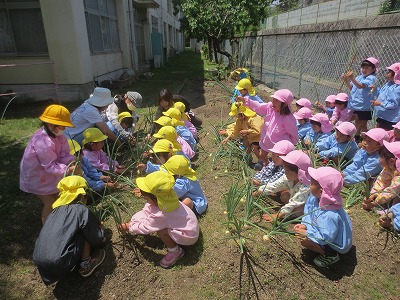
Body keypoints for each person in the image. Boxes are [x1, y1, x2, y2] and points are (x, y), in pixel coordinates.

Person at [33, 176, 105, 285]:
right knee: (83, 230)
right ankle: (87, 264)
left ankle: (63, 268)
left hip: (41, 264)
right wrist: (100, 232)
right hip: (59, 261)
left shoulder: (53, 212)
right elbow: (96, 237)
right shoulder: (79, 209)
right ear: (82, 196)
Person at [118, 171, 199, 268]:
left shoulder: (161, 215)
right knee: (184, 203)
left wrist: (129, 227)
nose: (146, 200)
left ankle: (176, 252)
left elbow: (146, 227)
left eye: (147, 198)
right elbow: (148, 209)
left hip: (188, 236)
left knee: (161, 230)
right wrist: (135, 220)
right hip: (190, 225)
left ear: (155, 197)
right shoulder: (168, 199)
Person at [20, 104, 77, 223]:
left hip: (49, 172)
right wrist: (69, 169)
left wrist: (71, 161)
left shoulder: (59, 137)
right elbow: (49, 165)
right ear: (51, 125)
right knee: (49, 202)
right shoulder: (43, 142)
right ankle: (47, 229)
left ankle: (58, 221)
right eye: (62, 126)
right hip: (36, 176)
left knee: (58, 197)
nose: (64, 129)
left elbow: (65, 153)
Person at [294, 167, 352, 268]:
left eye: (312, 183)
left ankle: (332, 254)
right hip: (323, 232)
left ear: (321, 191)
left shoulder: (330, 214)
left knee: (305, 242)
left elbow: (327, 237)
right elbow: (308, 214)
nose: (309, 185)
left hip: (334, 242)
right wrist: (305, 225)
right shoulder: (314, 198)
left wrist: (307, 233)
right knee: (304, 237)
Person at [238, 89, 298, 165]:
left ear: (285, 104)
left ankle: (275, 169)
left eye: (277, 101)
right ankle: (265, 163)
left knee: (278, 161)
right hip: (266, 140)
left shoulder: (287, 118)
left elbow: (293, 132)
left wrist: (291, 146)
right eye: (273, 99)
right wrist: (246, 101)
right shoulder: (271, 108)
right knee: (263, 155)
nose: (273, 102)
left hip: (278, 145)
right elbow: (259, 107)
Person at [256, 150, 311, 222]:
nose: (285, 173)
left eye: (287, 171)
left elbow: (294, 203)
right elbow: (274, 186)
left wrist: (277, 215)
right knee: (284, 197)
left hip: (307, 208)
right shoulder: (289, 177)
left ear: (299, 173)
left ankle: (297, 218)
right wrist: (258, 192)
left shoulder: (306, 186)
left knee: (298, 209)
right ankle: (288, 212)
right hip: (296, 200)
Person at [342, 57, 379, 141]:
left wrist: (352, 78)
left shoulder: (372, 78)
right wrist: (346, 80)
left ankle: (367, 139)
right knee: (358, 122)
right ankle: (357, 137)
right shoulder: (360, 77)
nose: (364, 70)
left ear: (373, 69)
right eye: (363, 67)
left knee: (363, 124)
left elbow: (361, 86)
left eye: (367, 68)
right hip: (358, 105)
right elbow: (351, 87)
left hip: (365, 106)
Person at [363, 140, 400, 211]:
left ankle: (393, 211)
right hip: (394, 191)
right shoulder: (388, 168)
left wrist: (374, 203)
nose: (378, 159)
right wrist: (372, 195)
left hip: (396, 192)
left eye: (380, 157)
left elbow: (391, 191)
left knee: (396, 196)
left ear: (392, 161)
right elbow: (381, 182)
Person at [371, 62, 400, 130]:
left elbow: (393, 104)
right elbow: (382, 94)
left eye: (390, 72)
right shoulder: (389, 84)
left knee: (385, 133)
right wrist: (375, 89)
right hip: (382, 115)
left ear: (397, 75)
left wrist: (380, 103)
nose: (387, 74)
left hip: (389, 118)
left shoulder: (397, 88)